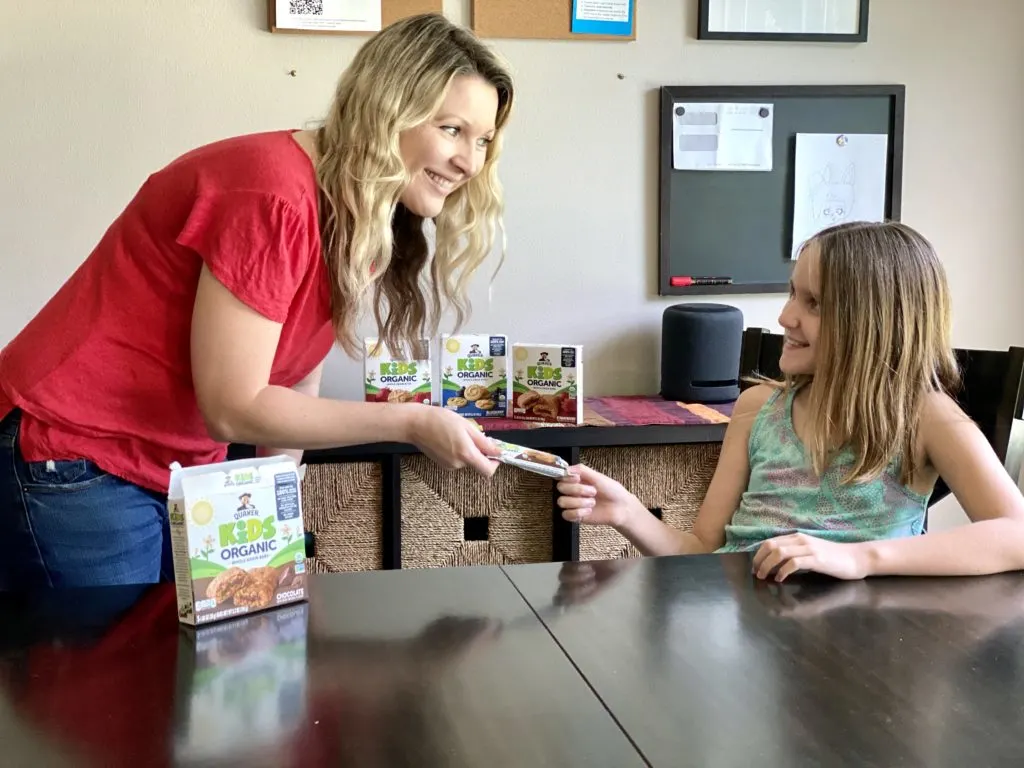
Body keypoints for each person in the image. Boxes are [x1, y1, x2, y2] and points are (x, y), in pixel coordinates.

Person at [0, 13, 515, 588]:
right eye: (452, 130)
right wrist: (413, 422)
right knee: (118, 672)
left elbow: (293, 377)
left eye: (484, 140)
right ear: (389, 106)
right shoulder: (272, 195)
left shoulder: (359, 216)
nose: (469, 162)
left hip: (172, 464)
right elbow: (233, 405)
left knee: (188, 662)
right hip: (75, 453)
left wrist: (272, 509)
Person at [557, 220, 1024, 582]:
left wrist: (857, 557)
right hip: (744, 632)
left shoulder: (925, 416)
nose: (785, 316)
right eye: (792, 294)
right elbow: (702, 552)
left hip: (859, 653)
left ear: (875, 322)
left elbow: (1017, 534)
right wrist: (628, 514)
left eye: (814, 303)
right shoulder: (758, 407)